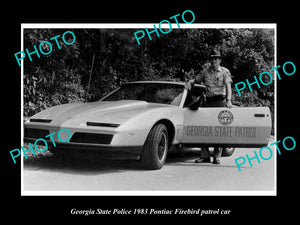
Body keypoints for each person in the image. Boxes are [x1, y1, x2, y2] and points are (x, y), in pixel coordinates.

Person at [185, 49, 233, 164]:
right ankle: (205, 156)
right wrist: (188, 83)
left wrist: (229, 100)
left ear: (220, 60)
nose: (214, 60)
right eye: (212, 58)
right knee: (204, 128)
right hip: (208, 102)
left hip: (220, 101)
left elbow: (228, 87)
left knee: (219, 129)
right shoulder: (205, 72)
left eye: (216, 58)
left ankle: (217, 156)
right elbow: (195, 80)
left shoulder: (225, 72)